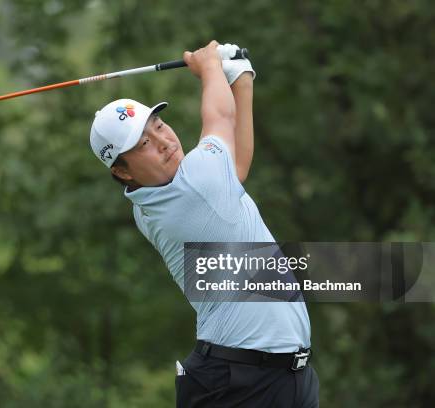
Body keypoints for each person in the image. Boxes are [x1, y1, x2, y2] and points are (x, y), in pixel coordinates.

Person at [89, 40, 319, 407]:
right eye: (144, 142)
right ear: (122, 170)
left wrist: (240, 79)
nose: (164, 141)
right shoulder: (193, 188)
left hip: (277, 377)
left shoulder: (161, 196)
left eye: (159, 125)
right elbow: (220, 119)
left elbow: (236, 168)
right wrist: (209, 66)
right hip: (240, 382)